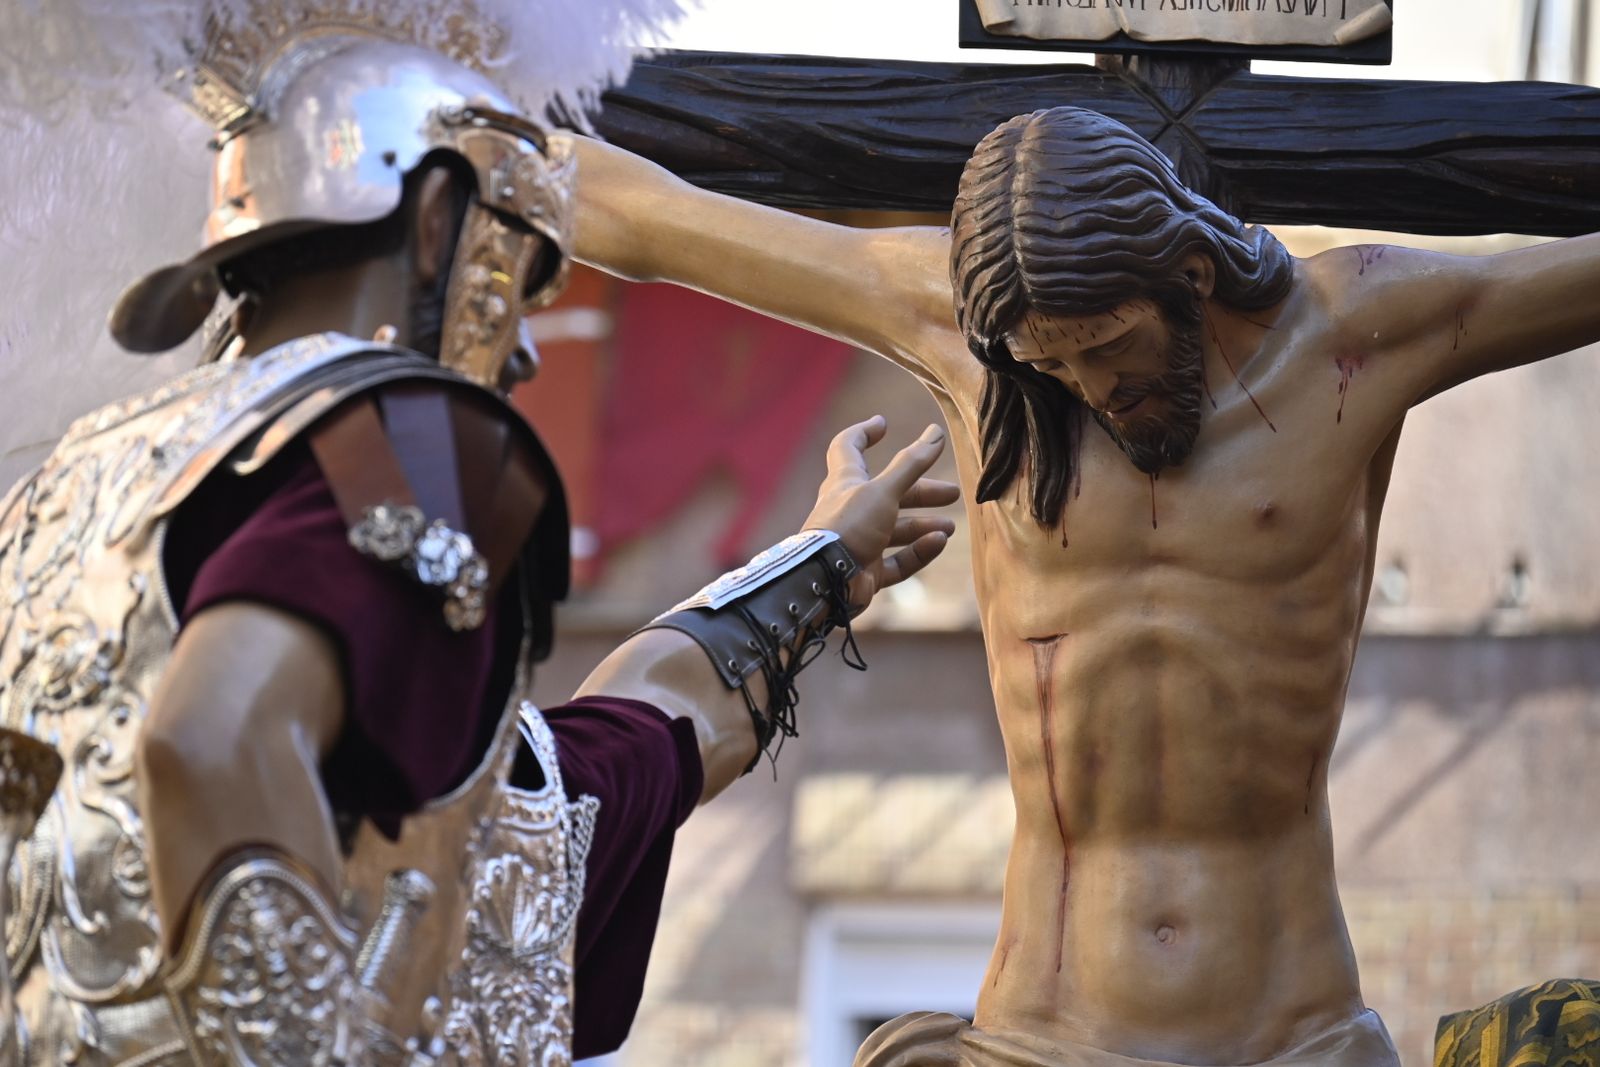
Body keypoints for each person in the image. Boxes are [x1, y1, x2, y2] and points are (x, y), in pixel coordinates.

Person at [0, 5, 957, 1064]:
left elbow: (601, 763)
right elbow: (211, 737)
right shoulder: (401, 437)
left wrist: (826, 555)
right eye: (522, 267)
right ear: (435, 221)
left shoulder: (65, 486)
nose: (528, 353)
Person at [565, 105, 1600, 1067]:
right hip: (1043, 1030)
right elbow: (646, 216)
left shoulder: (1353, 331)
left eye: (1109, 345)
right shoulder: (959, 345)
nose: (1093, 392)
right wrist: (430, 96)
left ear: (1189, 272)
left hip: (1295, 1028)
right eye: (1051, 366)